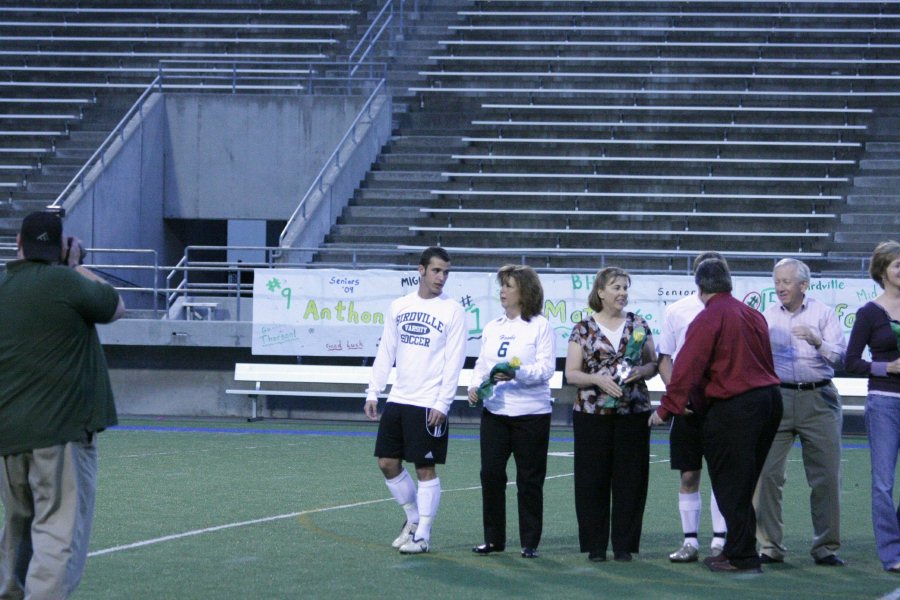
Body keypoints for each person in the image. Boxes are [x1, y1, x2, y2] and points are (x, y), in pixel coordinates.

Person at [0, 211, 126, 599]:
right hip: (61, 433)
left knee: (18, 526)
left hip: (8, 435)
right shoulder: (66, 282)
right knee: (57, 533)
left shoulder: (4, 287)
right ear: (60, 247)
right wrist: (75, 266)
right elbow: (115, 307)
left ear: (19, 244)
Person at [649, 258, 782, 574]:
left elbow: (687, 368)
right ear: (729, 283)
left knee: (731, 483)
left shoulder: (708, 319)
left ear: (700, 288)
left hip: (735, 407)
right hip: (769, 402)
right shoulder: (752, 315)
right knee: (744, 481)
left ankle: (741, 557)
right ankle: (739, 548)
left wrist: (666, 409)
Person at [364, 246, 467, 554]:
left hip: (429, 402)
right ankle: (412, 519)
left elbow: (455, 361)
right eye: (436, 270)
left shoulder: (453, 310)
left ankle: (423, 535)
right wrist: (373, 390)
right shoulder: (399, 306)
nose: (442, 277)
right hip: (399, 397)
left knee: (425, 469)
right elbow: (387, 350)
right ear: (420, 270)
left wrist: (443, 403)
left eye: (446, 272)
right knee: (387, 462)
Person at [755, 258, 846, 567]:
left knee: (826, 478)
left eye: (786, 281)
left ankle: (826, 548)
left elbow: (841, 358)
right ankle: (770, 547)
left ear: (803, 285)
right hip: (776, 399)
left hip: (819, 398)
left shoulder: (824, 314)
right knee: (766, 475)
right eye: (776, 280)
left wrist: (818, 341)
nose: (779, 287)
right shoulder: (766, 317)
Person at [565, 266, 657, 563]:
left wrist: (639, 371)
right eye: (616, 287)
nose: (622, 293)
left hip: (633, 413)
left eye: (625, 288)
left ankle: (624, 545)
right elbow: (571, 374)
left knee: (631, 479)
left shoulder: (639, 325)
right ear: (600, 292)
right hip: (592, 415)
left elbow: (653, 365)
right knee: (592, 479)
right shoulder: (582, 328)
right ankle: (595, 545)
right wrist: (598, 380)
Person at [467, 265, 556, 559]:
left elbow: (546, 370)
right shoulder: (493, 327)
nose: (502, 291)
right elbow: (482, 363)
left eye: (508, 286)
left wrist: (516, 374)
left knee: (529, 480)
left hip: (532, 414)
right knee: (490, 474)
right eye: (501, 286)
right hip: (495, 413)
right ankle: (493, 539)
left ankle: (530, 542)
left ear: (525, 292)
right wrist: (474, 385)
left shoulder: (540, 326)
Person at [657, 252, 728, 563]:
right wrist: (679, 396)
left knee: (722, 474)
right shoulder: (677, 310)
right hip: (688, 408)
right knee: (689, 474)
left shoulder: (733, 309)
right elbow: (665, 359)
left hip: (720, 406)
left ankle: (721, 540)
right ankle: (690, 542)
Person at [845, 240, 900, 573]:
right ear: (883, 271)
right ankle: (892, 553)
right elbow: (851, 361)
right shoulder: (869, 313)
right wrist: (886, 368)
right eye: (898, 266)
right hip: (884, 403)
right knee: (883, 482)